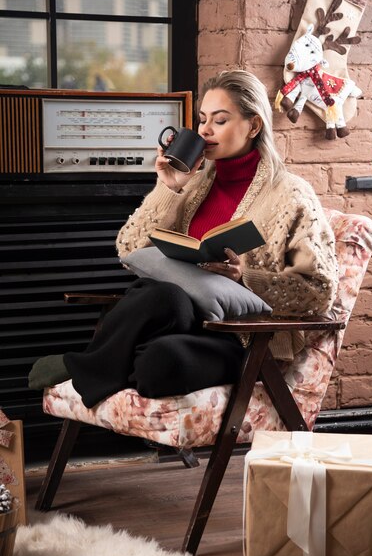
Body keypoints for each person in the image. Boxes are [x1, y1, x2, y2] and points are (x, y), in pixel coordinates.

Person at [30, 70, 339, 407]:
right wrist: (170, 187)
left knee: (157, 364)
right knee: (162, 294)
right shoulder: (193, 183)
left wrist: (245, 278)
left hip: (242, 340)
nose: (204, 130)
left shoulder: (292, 194)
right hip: (176, 317)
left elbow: (319, 290)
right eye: (202, 119)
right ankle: (101, 363)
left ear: (253, 126)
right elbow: (130, 248)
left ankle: (85, 365)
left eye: (220, 120)